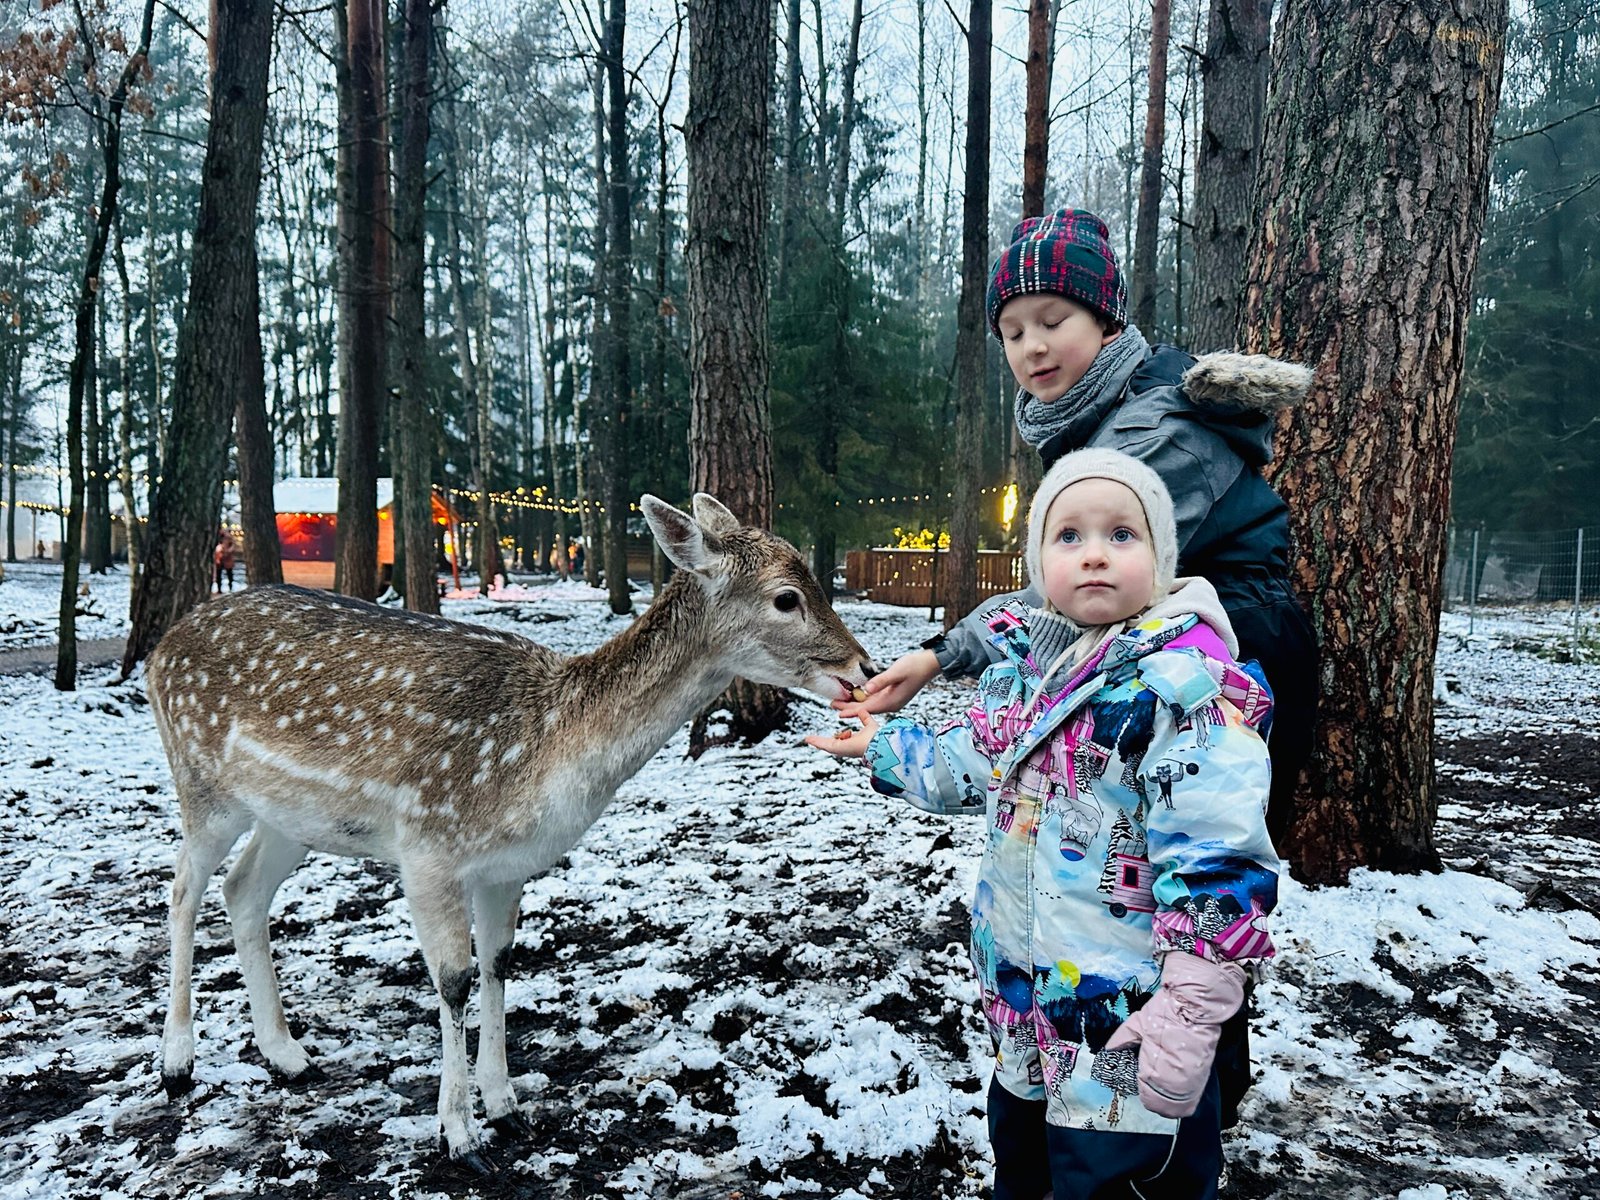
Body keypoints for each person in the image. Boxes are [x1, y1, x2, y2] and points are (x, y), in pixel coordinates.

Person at [853, 209, 1315, 1124]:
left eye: (1052, 320)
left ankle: (1182, 1101)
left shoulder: (1157, 431)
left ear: (1105, 319)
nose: (1031, 347)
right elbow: (1064, 600)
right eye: (1012, 330)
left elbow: (1078, 594)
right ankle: (1094, 1077)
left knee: (1188, 879)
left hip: (1214, 664)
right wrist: (935, 668)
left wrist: (949, 661)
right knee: (1108, 873)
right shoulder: (1081, 419)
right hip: (1130, 664)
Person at [810, 450, 1281, 1200]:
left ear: (1162, 557)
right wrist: (883, 744)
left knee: (1123, 1187)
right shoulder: (1028, 674)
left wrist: (1189, 1016)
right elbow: (968, 766)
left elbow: (1221, 865)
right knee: (1024, 1171)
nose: (1094, 552)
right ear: (1038, 561)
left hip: (1131, 1033)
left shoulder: (1190, 691)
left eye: (1122, 533)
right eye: (1069, 536)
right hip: (1028, 1016)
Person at [214, 528, 237, 592]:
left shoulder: (229, 537)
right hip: (219, 557)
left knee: (229, 573)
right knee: (219, 574)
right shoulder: (218, 537)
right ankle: (219, 589)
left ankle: (230, 588)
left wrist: (229, 551)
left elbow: (233, 545)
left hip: (227, 558)